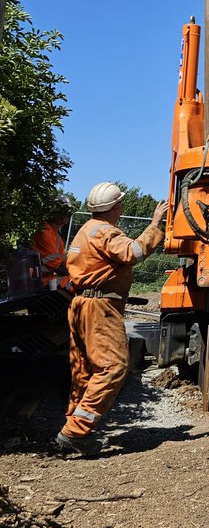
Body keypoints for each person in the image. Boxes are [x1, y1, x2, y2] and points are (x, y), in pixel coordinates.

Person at [56, 182, 167, 457]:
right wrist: (155, 224)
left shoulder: (85, 230)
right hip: (100, 307)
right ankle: (75, 432)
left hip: (80, 305)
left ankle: (74, 426)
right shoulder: (106, 232)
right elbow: (134, 252)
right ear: (117, 206)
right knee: (114, 367)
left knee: (84, 371)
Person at [31, 193, 78, 293]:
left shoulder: (55, 236)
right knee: (74, 283)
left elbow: (62, 260)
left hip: (40, 279)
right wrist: (81, 274)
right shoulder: (45, 232)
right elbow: (58, 266)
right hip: (35, 282)